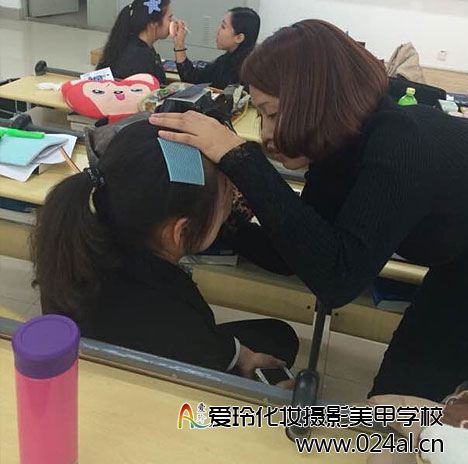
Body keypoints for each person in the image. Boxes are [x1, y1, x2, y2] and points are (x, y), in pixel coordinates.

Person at [149, 19, 468, 405]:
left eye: (273, 114)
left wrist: (242, 159)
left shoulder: (400, 144)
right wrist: (221, 218)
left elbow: (337, 280)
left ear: (317, 101)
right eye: (261, 115)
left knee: (399, 409)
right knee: (395, 400)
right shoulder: (340, 142)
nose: (266, 133)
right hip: (460, 257)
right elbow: (296, 253)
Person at [31, 120, 298, 377]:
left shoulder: (80, 245)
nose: (233, 201)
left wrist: (237, 353)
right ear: (181, 232)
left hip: (112, 360)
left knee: (275, 335)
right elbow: (199, 354)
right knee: (280, 339)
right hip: (157, 384)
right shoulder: (177, 322)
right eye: (228, 199)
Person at [172, 7, 260, 89]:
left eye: (223, 27)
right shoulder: (227, 60)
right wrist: (179, 44)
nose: (217, 31)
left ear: (239, 38)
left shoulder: (249, 71)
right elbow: (193, 78)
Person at [97, 0, 172, 85]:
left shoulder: (135, 43)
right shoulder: (140, 57)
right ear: (153, 23)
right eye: (169, 19)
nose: (172, 23)